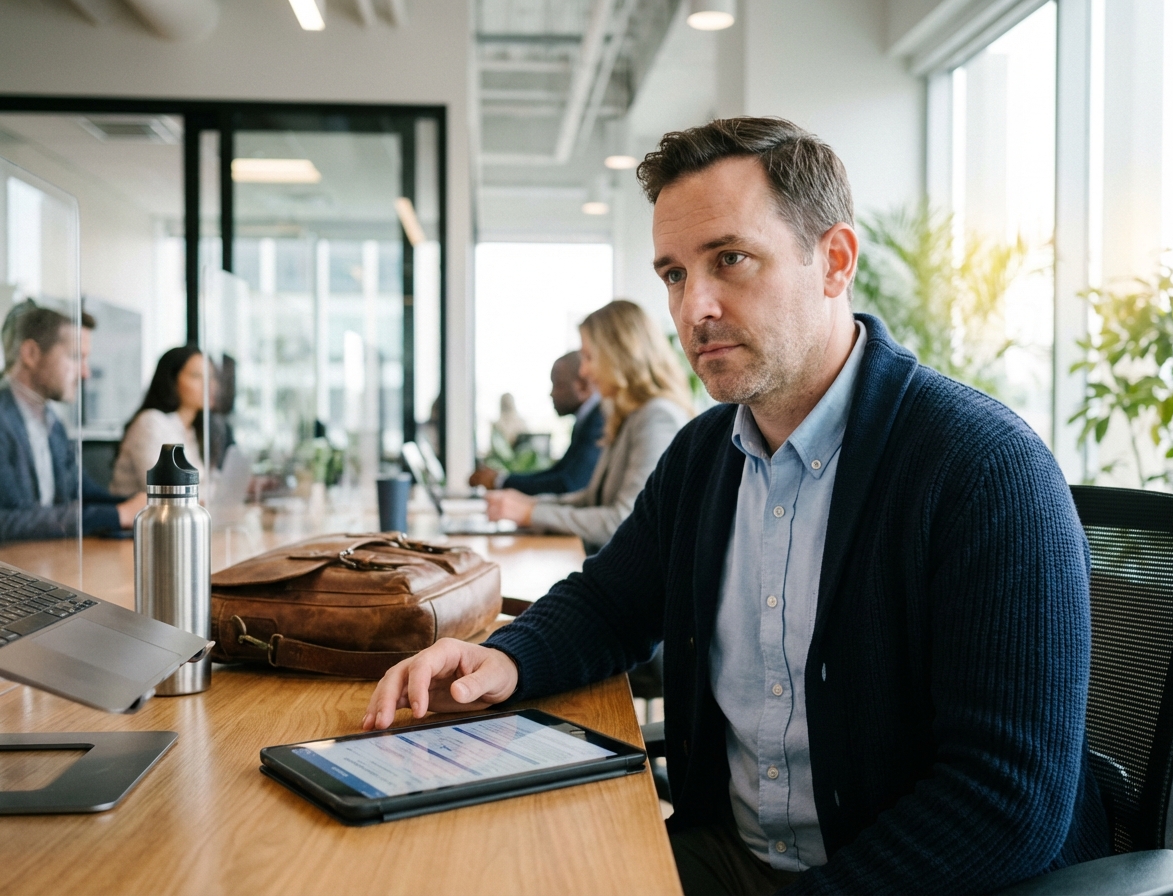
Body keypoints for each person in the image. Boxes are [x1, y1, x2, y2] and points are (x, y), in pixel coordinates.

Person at [362, 118, 1109, 893]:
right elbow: (612, 602)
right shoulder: (703, 455)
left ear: (834, 261)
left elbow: (1005, 803)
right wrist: (507, 658)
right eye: (675, 275)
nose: (694, 310)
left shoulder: (983, 469)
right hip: (732, 855)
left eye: (730, 260)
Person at [484, 300, 693, 555]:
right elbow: (590, 499)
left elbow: (623, 521)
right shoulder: (628, 414)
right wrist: (530, 504)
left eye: (590, 357)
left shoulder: (657, 417)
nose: (584, 371)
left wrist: (531, 512)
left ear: (621, 355)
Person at [0, 305, 144, 541]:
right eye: (77, 357)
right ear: (31, 354)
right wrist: (115, 515)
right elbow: (6, 522)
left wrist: (147, 505)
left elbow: (82, 493)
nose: (86, 373)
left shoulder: (52, 422)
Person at [469, 351, 604, 495]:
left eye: (558, 384)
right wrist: (502, 480)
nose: (551, 394)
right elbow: (558, 473)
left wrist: (501, 481)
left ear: (582, 386)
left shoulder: (598, 421)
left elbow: (568, 484)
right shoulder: (586, 420)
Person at [110, 346, 211, 495]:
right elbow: (167, 490)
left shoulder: (190, 429)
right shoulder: (151, 423)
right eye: (196, 376)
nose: (208, 385)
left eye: (209, 377)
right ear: (172, 380)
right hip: (142, 517)